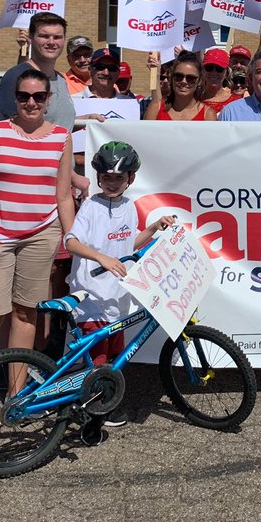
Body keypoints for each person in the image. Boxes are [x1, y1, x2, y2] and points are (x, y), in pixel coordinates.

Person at [0, 68, 77, 432]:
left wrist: (70, 237)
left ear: (48, 99)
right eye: (24, 96)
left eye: (38, 97)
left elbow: (62, 195)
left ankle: (16, 395)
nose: (30, 103)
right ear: (13, 98)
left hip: (40, 235)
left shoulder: (60, 137)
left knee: (27, 315)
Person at [64, 142, 177, 426]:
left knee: (115, 355)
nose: (112, 184)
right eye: (107, 178)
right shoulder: (90, 206)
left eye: (119, 178)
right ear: (99, 178)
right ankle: (93, 411)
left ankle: (104, 402)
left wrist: (153, 229)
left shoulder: (128, 206)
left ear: (131, 179)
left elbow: (129, 241)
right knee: (98, 358)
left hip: (117, 296)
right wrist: (101, 257)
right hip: (90, 296)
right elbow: (71, 242)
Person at [0, 11, 88, 199]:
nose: (51, 42)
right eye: (44, 36)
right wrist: (72, 176)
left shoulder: (61, 78)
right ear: (31, 38)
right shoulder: (17, 77)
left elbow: (57, 123)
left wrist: (84, 120)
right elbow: (21, 135)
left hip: (59, 185)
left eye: (57, 37)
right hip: (28, 184)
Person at [145, 51, 217, 121]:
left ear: (199, 81)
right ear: (172, 78)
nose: (184, 81)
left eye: (191, 78)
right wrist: (154, 72)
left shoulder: (208, 115)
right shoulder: (156, 108)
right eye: (179, 76)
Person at [200, 48, 241, 115]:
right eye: (209, 67)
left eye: (219, 69)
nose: (214, 72)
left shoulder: (236, 102)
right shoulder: (193, 100)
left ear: (226, 72)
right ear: (202, 70)